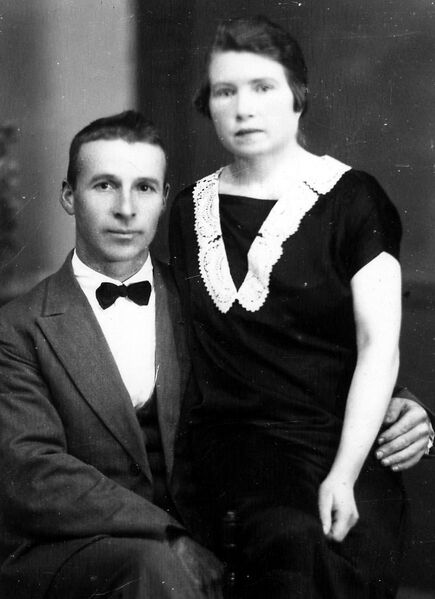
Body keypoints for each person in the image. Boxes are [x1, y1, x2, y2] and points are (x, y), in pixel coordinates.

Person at [169, 16, 433, 598]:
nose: (243, 109)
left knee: (351, 541)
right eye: (225, 91)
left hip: (345, 441)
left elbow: (378, 346)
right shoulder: (189, 209)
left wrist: (344, 473)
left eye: (263, 87)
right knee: (294, 540)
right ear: (208, 104)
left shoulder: (355, 198)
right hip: (237, 450)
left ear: (297, 96)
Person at [0, 111, 223, 599]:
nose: (126, 209)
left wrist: (392, 400)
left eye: (144, 188)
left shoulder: (200, 302)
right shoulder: (17, 327)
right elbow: (33, 474)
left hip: (205, 534)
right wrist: (168, 536)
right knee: (152, 566)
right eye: (104, 186)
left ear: (163, 199)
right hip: (75, 549)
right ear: (68, 196)